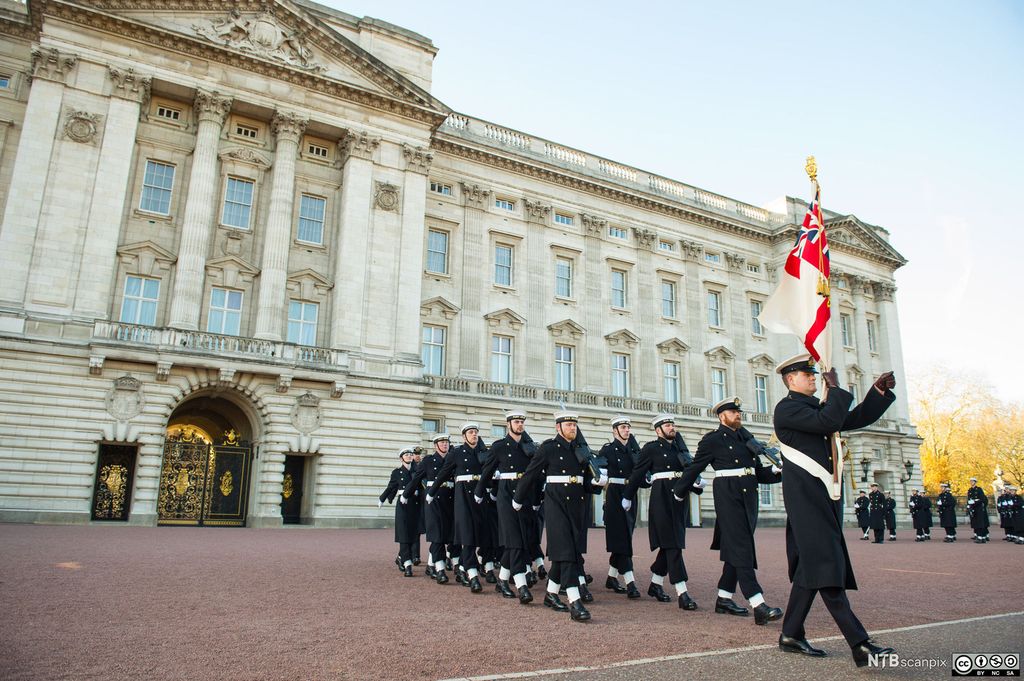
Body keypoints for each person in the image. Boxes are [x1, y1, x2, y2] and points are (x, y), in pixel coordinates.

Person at [772, 353, 897, 667]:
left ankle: (790, 634)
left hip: (823, 496)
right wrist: (836, 388)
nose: (814, 378)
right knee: (828, 565)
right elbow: (830, 421)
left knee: (809, 569)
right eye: (807, 374)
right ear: (791, 380)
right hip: (806, 500)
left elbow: (849, 419)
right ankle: (860, 643)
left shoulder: (812, 407)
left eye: (815, 374)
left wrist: (877, 393)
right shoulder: (787, 409)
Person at [673, 397, 783, 625]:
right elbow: (695, 466)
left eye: (739, 412)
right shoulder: (712, 440)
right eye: (733, 412)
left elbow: (758, 473)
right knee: (742, 547)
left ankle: (724, 597)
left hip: (749, 498)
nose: (738, 415)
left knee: (736, 548)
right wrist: (679, 491)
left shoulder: (748, 439)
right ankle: (757, 602)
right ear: (722, 416)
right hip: (728, 496)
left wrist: (779, 470)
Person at [513, 411, 601, 622]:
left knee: (565, 553)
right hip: (556, 503)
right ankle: (574, 601)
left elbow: (585, 482)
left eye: (574, 425)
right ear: (558, 427)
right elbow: (531, 474)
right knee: (567, 552)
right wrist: (518, 498)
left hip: (577, 507)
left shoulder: (581, 451)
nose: (573, 428)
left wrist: (596, 484)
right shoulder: (548, 448)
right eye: (569, 424)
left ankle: (551, 594)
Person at [623, 414, 704, 611]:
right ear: (658, 430)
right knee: (673, 545)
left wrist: (697, 482)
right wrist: (627, 495)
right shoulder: (651, 448)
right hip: (661, 499)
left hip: (679, 499)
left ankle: (655, 584)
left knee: (670, 544)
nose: (671, 427)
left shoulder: (680, 449)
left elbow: (689, 471)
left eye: (672, 424)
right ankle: (682, 592)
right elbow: (638, 473)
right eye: (667, 425)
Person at [475, 408, 538, 604]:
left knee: (520, 540)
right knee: (514, 539)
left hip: (524, 494)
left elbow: (535, 475)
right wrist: (479, 491)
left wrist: (537, 498)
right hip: (505, 494)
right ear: (508, 424)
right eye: (516, 422)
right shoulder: (499, 446)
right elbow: (487, 471)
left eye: (522, 422)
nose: (519, 425)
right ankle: (521, 586)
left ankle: (502, 580)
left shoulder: (530, 447)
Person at [427, 423, 488, 592]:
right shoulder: (457, 453)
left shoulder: (483, 452)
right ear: (464, 436)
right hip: (463, 498)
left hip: (479, 497)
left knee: (477, 535)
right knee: (467, 535)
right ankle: (472, 574)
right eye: (470, 432)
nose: (474, 435)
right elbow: (444, 472)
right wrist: (432, 492)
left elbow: (489, 472)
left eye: (476, 432)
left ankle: (462, 567)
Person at [598, 416, 642, 599]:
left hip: (630, 492)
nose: (627, 430)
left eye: (628, 427)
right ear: (615, 431)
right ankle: (630, 581)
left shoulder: (634, 449)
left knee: (625, 536)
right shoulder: (608, 449)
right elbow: (599, 470)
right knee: (622, 536)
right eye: (623, 427)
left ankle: (611, 577)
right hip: (615, 493)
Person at [404, 433, 457, 583]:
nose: (445, 444)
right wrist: (406, 494)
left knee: (447, 536)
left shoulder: (453, 459)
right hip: (433, 500)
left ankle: (430, 565)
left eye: (446, 442)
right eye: (441, 442)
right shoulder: (428, 460)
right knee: (437, 536)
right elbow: (416, 479)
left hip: (450, 500)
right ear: (436, 445)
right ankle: (440, 569)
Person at [378, 447, 421, 577]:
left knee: (414, 534)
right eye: (406, 454)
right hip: (403, 505)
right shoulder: (397, 472)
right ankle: (407, 564)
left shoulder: (417, 470)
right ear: (401, 458)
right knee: (403, 534)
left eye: (410, 454)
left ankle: (401, 557)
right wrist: (382, 498)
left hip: (415, 504)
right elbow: (391, 486)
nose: (409, 456)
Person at [966, 477, 990, 543]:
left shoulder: (979, 489)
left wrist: (975, 502)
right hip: (973, 508)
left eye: (972, 481)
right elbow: (969, 499)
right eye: (970, 481)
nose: (971, 482)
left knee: (980, 523)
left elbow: (982, 499)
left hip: (978, 508)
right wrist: (968, 506)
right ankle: (979, 536)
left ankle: (982, 537)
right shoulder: (970, 490)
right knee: (975, 522)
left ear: (975, 482)